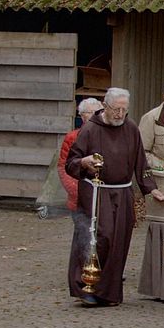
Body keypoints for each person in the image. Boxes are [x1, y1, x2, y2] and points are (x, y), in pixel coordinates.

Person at [65, 88, 164, 307]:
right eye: (115, 109)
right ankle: (87, 287)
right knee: (101, 236)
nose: (120, 114)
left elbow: (140, 161)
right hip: (96, 191)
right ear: (105, 105)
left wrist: (151, 188)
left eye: (124, 109)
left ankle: (109, 293)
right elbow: (71, 163)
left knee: (119, 240)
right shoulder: (90, 130)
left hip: (122, 192)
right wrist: (84, 162)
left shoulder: (130, 129)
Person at [60, 98, 105, 285]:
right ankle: (85, 273)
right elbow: (64, 167)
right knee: (84, 234)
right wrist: (77, 191)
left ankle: (101, 269)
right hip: (80, 196)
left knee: (102, 234)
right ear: (82, 116)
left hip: (101, 195)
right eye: (91, 113)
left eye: (98, 112)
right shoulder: (72, 137)